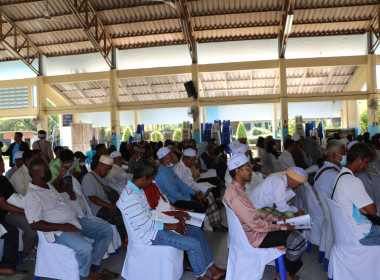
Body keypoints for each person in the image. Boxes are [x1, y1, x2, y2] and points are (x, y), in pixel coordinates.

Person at [117, 159, 226, 280]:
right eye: (152, 178)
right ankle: (201, 276)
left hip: (155, 227)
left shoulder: (138, 190)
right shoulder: (130, 197)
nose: (153, 181)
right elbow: (146, 225)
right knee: (192, 244)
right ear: (144, 178)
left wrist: (173, 219)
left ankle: (213, 269)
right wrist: (173, 226)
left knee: (196, 232)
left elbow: (150, 213)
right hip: (150, 235)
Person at [23, 158, 116, 280]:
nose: (49, 170)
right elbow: (34, 224)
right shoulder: (32, 196)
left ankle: (91, 266)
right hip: (58, 230)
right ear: (36, 173)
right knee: (85, 247)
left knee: (106, 230)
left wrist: (66, 189)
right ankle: (87, 273)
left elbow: (55, 192)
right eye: (46, 169)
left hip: (74, 220)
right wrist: (62, 227)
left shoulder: (47, 185)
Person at [224, 153, 302, 280]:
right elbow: (257, 224)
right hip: (255, 236)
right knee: (298, 241)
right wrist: (282, 227)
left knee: (292, 234)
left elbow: (254, 213)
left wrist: (277, 219)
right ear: (238, 171)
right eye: (248, 169)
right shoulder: (236, 195)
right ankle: (284, 274)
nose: (251, 171)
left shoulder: (237, 190)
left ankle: (285, 270)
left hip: (253, 231)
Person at [332, 143, 380, 246]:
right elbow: (373, 211)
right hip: (362, 234)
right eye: (366, 162)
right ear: (358, 160)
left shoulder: (340, 176)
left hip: (347, 229)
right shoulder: (353, 182)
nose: (367, 166)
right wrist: (366, 208)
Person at [174, 148, 227, 232]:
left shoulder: (186, 167)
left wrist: (203, 189)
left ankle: (215, 222)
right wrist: (197, 192)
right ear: (185, 158)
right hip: (184, 194)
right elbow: (182, 188)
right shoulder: (178, 169)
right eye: (191, 161)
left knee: (210, 194)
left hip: (191, 190)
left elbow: (192, 182)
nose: (193, 163)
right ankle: (214, 223)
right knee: (207, 198)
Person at [0, 156, 37, 262]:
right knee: (32, 228)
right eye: (1, 162)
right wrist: (24, 211)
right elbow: (3, 205)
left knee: (37, 219)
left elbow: (15, 193)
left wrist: (26, 204)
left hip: (14, 208)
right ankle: (23, 253)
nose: (3, 164)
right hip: (6, 214)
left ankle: (31, 248)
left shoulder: (4, 179)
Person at [81, 155, 126, 241]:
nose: (108, 172)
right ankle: (124, 240)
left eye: (109, 169)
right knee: (120, 218)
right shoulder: (89, 177)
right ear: (100, 165)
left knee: (127, 212)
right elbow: (92, 199)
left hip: (107, 205)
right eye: (106, 169)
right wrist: (111, 206)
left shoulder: (103, 178)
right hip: (98, 209)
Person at [155, 147, 208, 213]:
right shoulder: (162, 173)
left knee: (204, 200)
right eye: (171, 156)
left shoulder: (169, 169)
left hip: (179, 196)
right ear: (165, 159)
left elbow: (181, 184)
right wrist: (190, 199)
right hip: (172, 201)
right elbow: (173, 193)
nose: (173, 158)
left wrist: (195, 193)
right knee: (198, 205)